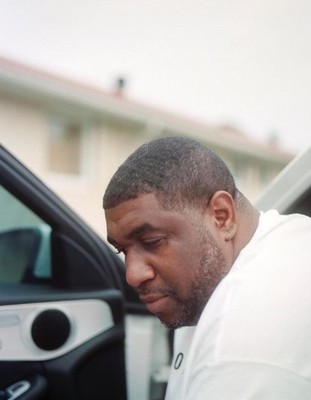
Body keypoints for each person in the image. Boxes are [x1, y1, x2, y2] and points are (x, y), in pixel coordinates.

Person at [103, 136, 311, 399]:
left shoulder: (239, 347)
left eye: (151, 242)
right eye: (123, 251)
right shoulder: (290, 236)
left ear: (221, 217)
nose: (132, 275)